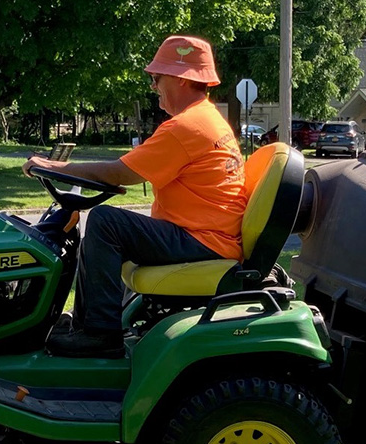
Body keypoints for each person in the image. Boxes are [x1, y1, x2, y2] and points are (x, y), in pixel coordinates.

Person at [22, 35, 247, 358]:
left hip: (203, 239)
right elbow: (128, 171)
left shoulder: (187, 127)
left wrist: (54, 165)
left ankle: (100, 334)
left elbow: (121, 174)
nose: (153, 86)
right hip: (208, 234)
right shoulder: (206, 119)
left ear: (182, 80)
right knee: (112, 227)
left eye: (157, 78)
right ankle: (87, 325)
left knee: (105, 222)